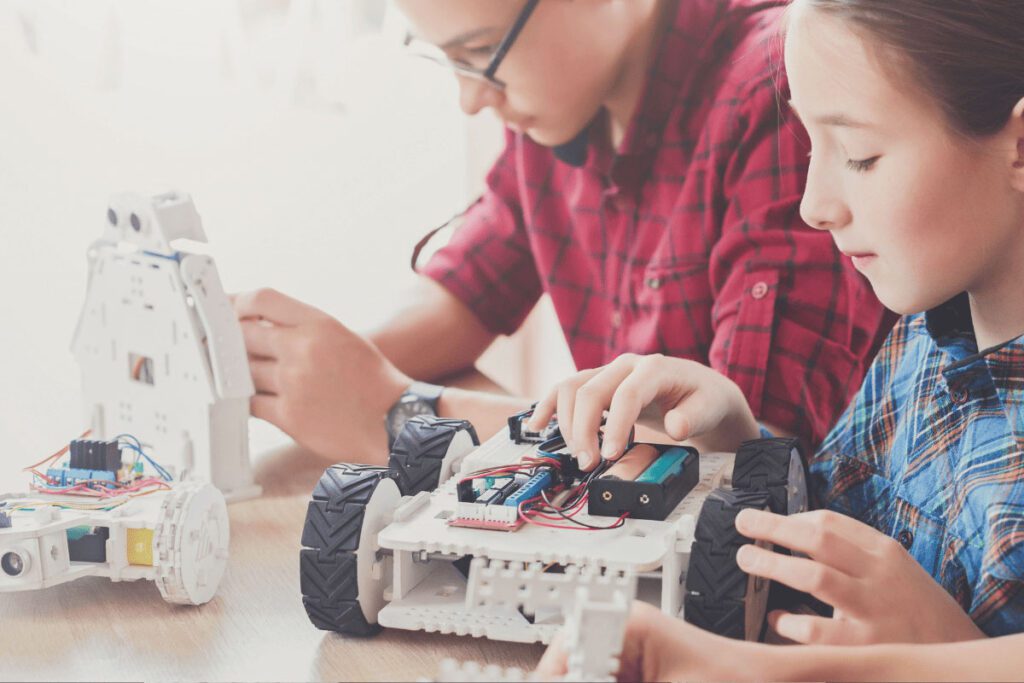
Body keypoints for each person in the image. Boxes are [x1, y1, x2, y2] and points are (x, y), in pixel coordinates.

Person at [530, 0, 1024, 656]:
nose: (813, 205)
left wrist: (942, 655)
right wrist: (733, 434)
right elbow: (827, 539)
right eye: (809, 144)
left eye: (858, 154)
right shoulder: (922, 341)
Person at [232, 0, 893, 463]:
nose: (471, 97)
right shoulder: (559, 106)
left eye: (482, 52)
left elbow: (751, 455)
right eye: (450, 60)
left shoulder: (773, 88)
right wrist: (295, 366)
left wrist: (398, 416)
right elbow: (463, 296)